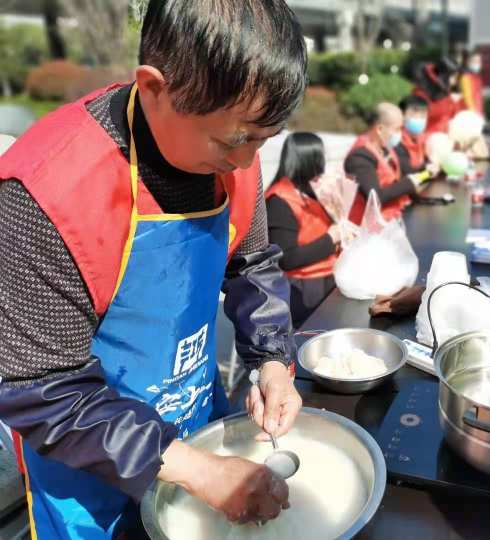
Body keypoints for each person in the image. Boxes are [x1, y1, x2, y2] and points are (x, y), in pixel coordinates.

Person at [0, 1, 306, 537]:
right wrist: (196, 470)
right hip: (88, 469)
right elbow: (41, 387)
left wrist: (272, 361)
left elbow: (251, 264)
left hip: (193, 416)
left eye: (263, 140)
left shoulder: (239, 152)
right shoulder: (44, 194)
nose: (246, 161)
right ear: (154, 87)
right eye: (234, 140)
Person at [265, 133, 340, 326]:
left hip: (326, 273)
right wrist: (330, 238)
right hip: (302, 286)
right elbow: (287, 258)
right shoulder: (279, 201)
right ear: (310, 161)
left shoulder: (311, 191)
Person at [345, 102, 426, 223]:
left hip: (393, 216)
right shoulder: (359, 157)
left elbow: (401, 173)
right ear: (379, 129)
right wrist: (408, 184)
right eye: (397, 129)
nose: (401, 134)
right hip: (366, 228)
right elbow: (375, 197)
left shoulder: (384, 148)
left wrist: (426, 170)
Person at [412, 57, 463, 134]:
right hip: (428, 139)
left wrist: (454, 102)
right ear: (444, 76)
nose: (455, 81)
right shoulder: (421, 93)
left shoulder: (445, 91)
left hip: (444, 136)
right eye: (453, 77)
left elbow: (452, 116)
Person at [396, 94, 431, 175]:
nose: (418, 119)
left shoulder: (424, 139)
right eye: (413, 115)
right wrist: (428, 173)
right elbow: (409, 175)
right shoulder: (396, 141)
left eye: (423, 115)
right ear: (402, 116)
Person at [459, 48, 485, 116]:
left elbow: (479, 97)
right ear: (468, 62)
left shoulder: (477, 77)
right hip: (470, 115)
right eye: (475, 61)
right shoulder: (466, 77)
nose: (478, 63)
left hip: (478, 113)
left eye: (479, 61)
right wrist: (474, 113)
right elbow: (467, 97)